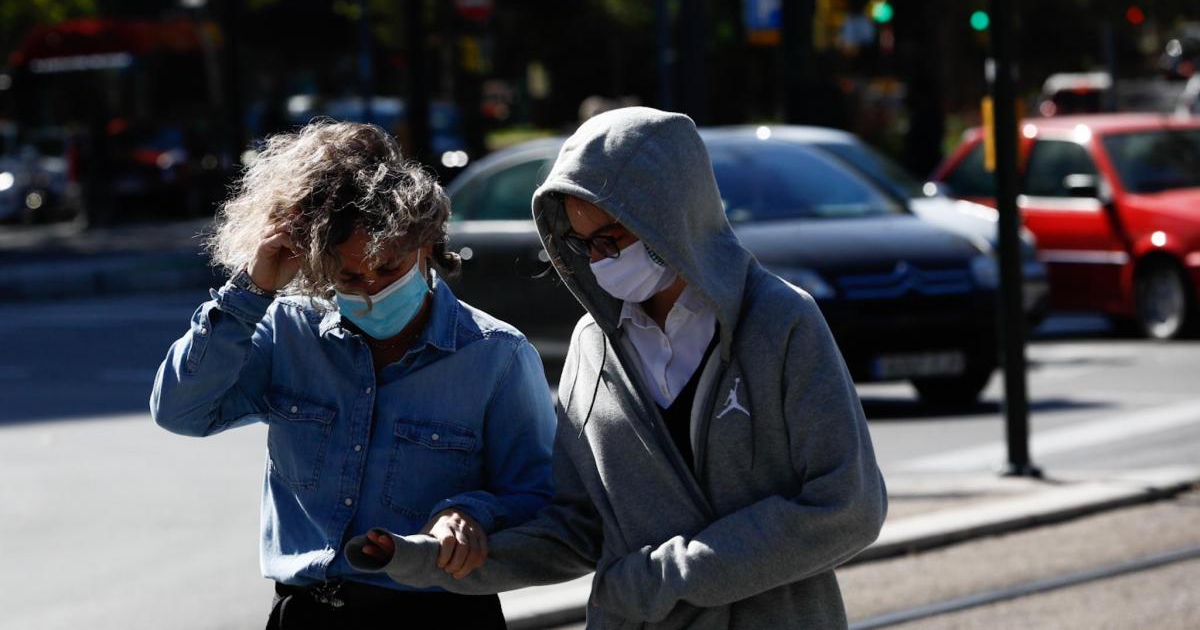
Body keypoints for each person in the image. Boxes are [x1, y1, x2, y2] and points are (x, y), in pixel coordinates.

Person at [344, 107, 888, 628]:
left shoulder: (781, 323)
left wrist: (660, 578)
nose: (599, 260)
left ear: (669, 215)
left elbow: (847, 505)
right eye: (582, 244)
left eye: (612, 239)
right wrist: (433, 559)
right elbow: (577, 526)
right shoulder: (591, 347)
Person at [149, 121, 555, 629]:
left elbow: (537, 493)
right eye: (348, 276)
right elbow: (182, 411)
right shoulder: (288, 330)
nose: (371, 288)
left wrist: (470, 514)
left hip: (439, 612)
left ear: (427, 246)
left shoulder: (497, 355)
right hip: (307, 612)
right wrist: (250, 290)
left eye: (389, 268)